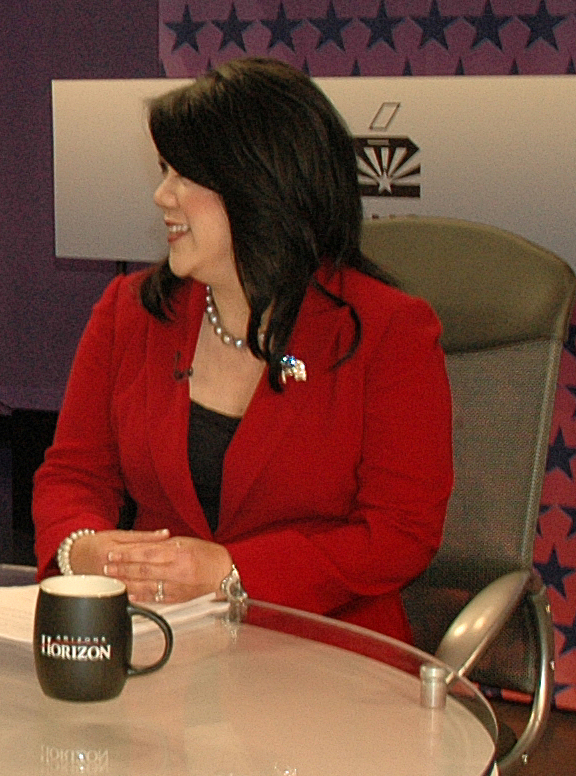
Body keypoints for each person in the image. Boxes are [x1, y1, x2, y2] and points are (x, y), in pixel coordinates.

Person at [33, 58, 452, 641]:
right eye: (163, 170)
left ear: (261, 185)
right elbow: (72, 477)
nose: (162, 195)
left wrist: (231, 571)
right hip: (161, 643)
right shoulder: (128, 313)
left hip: (327, 654)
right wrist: (84, 551)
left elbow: (399, 534)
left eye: (185, 176)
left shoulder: (390, 332)